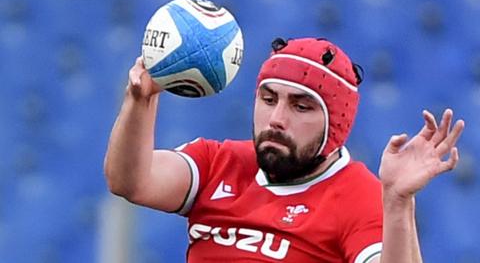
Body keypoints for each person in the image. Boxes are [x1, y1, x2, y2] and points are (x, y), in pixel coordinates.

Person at [104, 37, 465, 262]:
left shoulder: (360, 195)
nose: (276, 119)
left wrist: (398, 203)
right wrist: (140, 99)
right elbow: (130, 181)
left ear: (334, 124)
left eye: (301, 106)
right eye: (268, 98)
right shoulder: (219, 162)